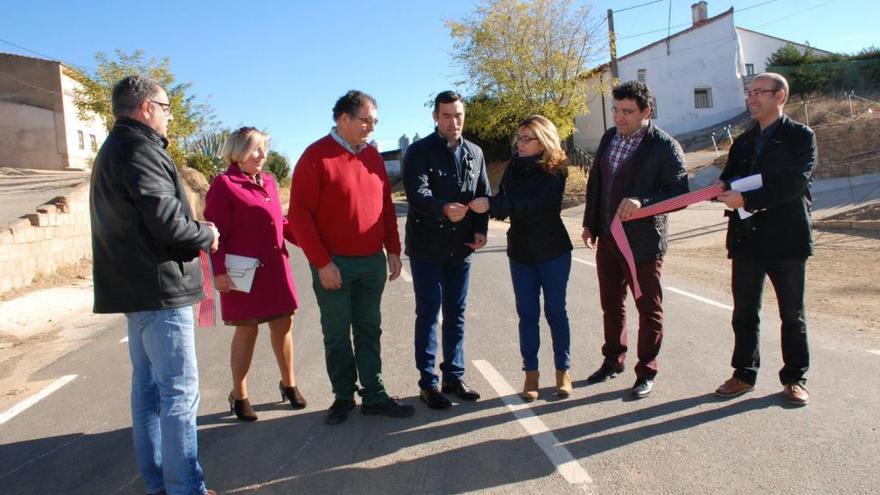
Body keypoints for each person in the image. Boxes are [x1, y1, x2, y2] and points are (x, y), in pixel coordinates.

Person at [90, 75, 218, 495]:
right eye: (165, 108)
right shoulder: (139, 149)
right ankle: (185, 488)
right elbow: (167, 224)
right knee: (178, 396)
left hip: (139, 290)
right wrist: (206, 234)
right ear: (146, 108)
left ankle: (160, 484)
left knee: (148, 394)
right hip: (160, 290)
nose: (168, 115)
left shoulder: (115, 148)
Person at [289, 90, 414, 424]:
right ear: (343, 118)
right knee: (336, 333)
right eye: (365, 119)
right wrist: (322, 262)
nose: (371, 127)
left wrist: (394, 250)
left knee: (369, 329)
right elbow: (299, 216)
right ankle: (343, 396)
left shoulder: (372, 156)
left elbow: (386, 208)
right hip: (335, 265)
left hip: (372, 261)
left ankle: (374, 394)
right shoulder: (315, 157)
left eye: (374, 121)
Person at [714, 72, 817, 406]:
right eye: (749, 92)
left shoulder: (801, 137)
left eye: (759, 92)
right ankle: (744, 373)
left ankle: (794, 378)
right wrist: (721, 189)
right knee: (744, 312)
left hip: (786, 240)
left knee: (792, 314)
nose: (752, 98)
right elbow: (729, 177)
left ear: (780, 96)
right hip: (746, 240)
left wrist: (745, 200)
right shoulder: (743, 142)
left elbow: (794, 184)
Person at [581, 80, 688, 399]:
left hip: (643, 245)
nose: (619, 117)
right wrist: (590, 224)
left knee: (648, 308)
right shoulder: (609, 138)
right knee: (611, 305)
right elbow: (596, 183)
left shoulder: (664, 146)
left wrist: (644, 201)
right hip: (608, 242)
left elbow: (679, 194)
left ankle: (647, 370)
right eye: (616, 110)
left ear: (647, 111)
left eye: (627, 112)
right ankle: (613, 360)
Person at [204, 126, 306, 422]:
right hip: (242, 272)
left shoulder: (270, 181)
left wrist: (309, 242)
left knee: (283, 325)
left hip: (275, 269)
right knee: (247, 331)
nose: (262, 155)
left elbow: (280, 223)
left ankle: (289, 384)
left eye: (264, 149)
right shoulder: (223, 184)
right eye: (255, 149)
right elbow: (214, 231)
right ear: (238, 151)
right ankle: (239, 394)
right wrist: (219, 272)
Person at [469, 115, 573, 402]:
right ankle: (531, 374)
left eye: (528, 139)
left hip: (553, 251)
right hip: (521, 252)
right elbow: (505, 204)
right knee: (527, 315)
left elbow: (536, 206)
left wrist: (493, 204)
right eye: (520, 138)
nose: (521, 144)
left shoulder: (556, 170)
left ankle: (563, 371)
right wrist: (489, 205)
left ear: (544, 141)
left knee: (555, 312)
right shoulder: (514, 166)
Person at [402, 90, 491, 410]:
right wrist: (442, 208)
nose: (454, 122)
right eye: (447, 116)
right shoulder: (419, 151)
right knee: (429, 314)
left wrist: (480, 230)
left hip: (461, 249)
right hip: (427, 248)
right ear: (435, 118)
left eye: (459, 115)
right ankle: (429, 383)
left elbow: (483, 193)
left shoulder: (475, 152)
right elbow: (417, 192)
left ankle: (454, 376)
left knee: (457, 314)